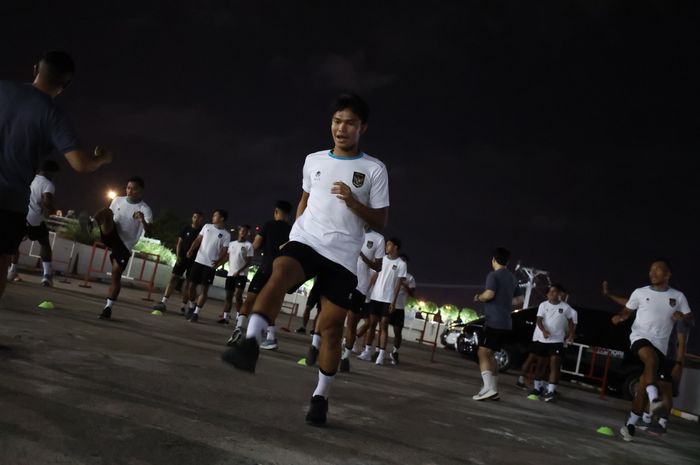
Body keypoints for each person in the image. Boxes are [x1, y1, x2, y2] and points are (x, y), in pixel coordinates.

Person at [222, 93, 390, 426]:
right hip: (307, 240)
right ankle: (251, 343)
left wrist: (354, 202)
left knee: (329, 330)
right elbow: (305, 199)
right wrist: (297, 231)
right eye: (337, 121)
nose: (341, 128)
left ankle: (320, 396)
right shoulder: (313, 159)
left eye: (350, 123)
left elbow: (381, 222)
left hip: (343, 258)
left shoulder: (374, 169)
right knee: (280, 271)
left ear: (363, 128)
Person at [1, 50, 112, 301]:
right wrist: (103, 158)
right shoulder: (53, 115)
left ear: (35, 70)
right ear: (65, 85)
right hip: (8, 202)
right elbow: (81, 164)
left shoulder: (3, 89)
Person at [611, 259, 694, 442]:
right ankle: (654, 400)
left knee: (641, 386)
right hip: (639, 337)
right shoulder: (640, 292)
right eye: (651, 270)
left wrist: (683, 317)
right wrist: (620, 317)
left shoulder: (678, 296)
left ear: (667, 274)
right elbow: (627, 310)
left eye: (658, 270)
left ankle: (630, 425)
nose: (652, 273)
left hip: (662, 347)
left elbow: (690, 319)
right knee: (649, 358)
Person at [226, 201, 292, 345]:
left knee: (249, 300)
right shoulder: (292, 230)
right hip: (280, 273)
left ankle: (239, 327)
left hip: (265, 269)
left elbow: (255, 245)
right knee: (271, 305)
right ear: (288, 214)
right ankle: (271, 337)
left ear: (276, 211)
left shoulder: (268, 225)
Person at [94, 177, 152, 320]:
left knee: (116, 273)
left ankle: (108, 307)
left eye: (134, 188)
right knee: (107, 211)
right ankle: (91, 223)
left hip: (125, 244)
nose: (130, 191)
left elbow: (150, 232)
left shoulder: (145, 209)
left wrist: (142, 220)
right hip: (112, 233)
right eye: (128, 187)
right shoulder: (118, 200)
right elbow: (110, 216)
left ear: (141, 191)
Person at [472, 247, 524, 401]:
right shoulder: (512, 277)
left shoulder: (493, 275)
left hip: (494, 320)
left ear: (493, 260)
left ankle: (488, 388)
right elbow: (520, 300)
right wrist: (506, 302)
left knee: (482, 352)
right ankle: (493, 389)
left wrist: (479, 297)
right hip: (506, 322)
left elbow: (489, 294)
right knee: (492, 354)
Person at [7, 160, 61, 286]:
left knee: (15, 244)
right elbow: (47, 201)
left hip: (21, 215)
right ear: (50, 172)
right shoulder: (48, 184)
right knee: (44, 243)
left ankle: (13, 270)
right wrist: (53, 209)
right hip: (36, 219)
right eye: (54, 173)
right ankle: (47, 275)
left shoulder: (29, 178)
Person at [338, 228, 385, 372]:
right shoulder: (349, 227)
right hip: (343, 279)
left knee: (351, 322)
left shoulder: (378, 239)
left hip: (360, 286)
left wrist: (364, 258)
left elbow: (378, 267)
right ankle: (325, 348)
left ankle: (345, 357)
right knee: (335, 317)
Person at [358, 238, 406, 366]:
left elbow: (398, 285)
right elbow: (374, 276)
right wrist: (366, 291)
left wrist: (393, 302)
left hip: (388, 299)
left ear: (395, 247)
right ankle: (367, 352)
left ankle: (380, 355)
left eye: (389, 244)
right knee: (372, 324)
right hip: (375, 297)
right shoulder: (382, 260)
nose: (386, 246)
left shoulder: (401, 264)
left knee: (383, 325)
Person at [525, 284, 575, 402]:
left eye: (555, 292)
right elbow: (538, 320)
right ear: (547, 294)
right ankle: (537, 389)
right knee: (541, 364)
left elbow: (571, 322)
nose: (553, 294)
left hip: (557, 341)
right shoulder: (543, 305)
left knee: (555, 364)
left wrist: (571, 334)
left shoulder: (566, 307)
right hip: (544, 340)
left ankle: (551, 391)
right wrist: (543, 331)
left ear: (559, 294)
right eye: (551, 292)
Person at [152, 211, 204, 314]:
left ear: (201, 219)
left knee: (189, 284)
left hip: (194, 261)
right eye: (194, 217)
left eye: (198, 218)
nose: (195, 219)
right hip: (182, 258)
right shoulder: (186, 228)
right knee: (173, 278)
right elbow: (179, 243)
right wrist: (178, 255)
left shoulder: (202, 231)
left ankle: (183, 306)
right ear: (192, 217)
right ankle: (164, 302)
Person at [184, 210, 231, 323]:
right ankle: (191, 306)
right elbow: (198, 239)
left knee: (204, 290)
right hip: (199, 261)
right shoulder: (206, 226)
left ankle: (196, 313)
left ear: (222, 218)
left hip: (210, 265)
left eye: (215, 215)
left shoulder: (226, 234)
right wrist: (191, 249)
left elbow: (225, 251)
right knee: (191, 286)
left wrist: (218, 262)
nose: (213, 217)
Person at [218, 225, 254, 324]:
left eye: (245, 231)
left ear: (248, 233)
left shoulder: (249, 245)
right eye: (242, 230)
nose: (243, 232)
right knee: (228, 296)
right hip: (230, 274)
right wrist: (218, 264)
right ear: (239, 231)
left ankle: (239, 316)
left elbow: (249, 262)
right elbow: (227, 257)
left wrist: (239, 271)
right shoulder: (232, 244)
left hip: (241, 275)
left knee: (238, 295)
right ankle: (225, 317)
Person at [389, 253, 416, 365]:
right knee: (381, 327)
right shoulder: (392, 272)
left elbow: (412, 294)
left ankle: (395, 352)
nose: (402, 262)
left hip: (399, 307)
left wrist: (404, 285)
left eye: (404, 261)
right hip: (387, 303)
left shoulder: (409, 277)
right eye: (401, 260)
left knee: (398, 331)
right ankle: (377, 351)